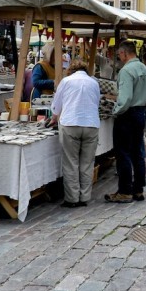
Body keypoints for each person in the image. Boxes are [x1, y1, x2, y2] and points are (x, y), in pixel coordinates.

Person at [105, 41, 146, 203]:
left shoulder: (126, 70)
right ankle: (138, 189)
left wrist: (116, 111)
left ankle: (125, 190)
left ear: (125, 53)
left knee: (123, 153)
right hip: (140, 113)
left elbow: (125, 97)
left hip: (127, 114)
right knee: (138, 151)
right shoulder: (145, 69)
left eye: (119, 54)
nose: (119, 57)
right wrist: (143, 107)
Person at [50, 60, 100, 208]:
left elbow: (56, 105)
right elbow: (96, 103)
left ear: (71, 70)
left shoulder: (66, 81)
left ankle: (72, 198)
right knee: (87, 163)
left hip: (70, 123)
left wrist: (53, 117)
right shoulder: (94, 83)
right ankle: (85, 196)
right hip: (91, 124)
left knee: (71, 162)